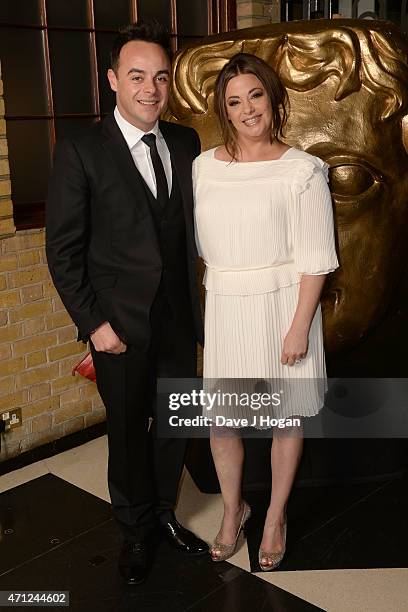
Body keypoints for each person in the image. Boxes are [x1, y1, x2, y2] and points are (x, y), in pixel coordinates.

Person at [46, 20, 207, 585]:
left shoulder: (185, 141)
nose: (150, 89)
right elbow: (63, 253)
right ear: (113, 79)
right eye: (137, 76)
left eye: (161, 77)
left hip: (178, 320)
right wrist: (95, 325)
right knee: (127, 434)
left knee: (173, 426)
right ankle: (133, 533)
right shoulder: (81, 150)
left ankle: (164, 516)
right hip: (120, 328)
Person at [193, 53, 338, 570]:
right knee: (222, 422)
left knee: (285, 417)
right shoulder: (204, 166)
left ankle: (275, 515)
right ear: (224, 111)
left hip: (284, 307)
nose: (247, 108)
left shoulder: (301, 170)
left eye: (255, 95)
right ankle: (235, 511)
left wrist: (299, 327)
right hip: (228, 305)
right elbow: (204, 244)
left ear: (273, 99)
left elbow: (317, 259)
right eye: (234, 101)